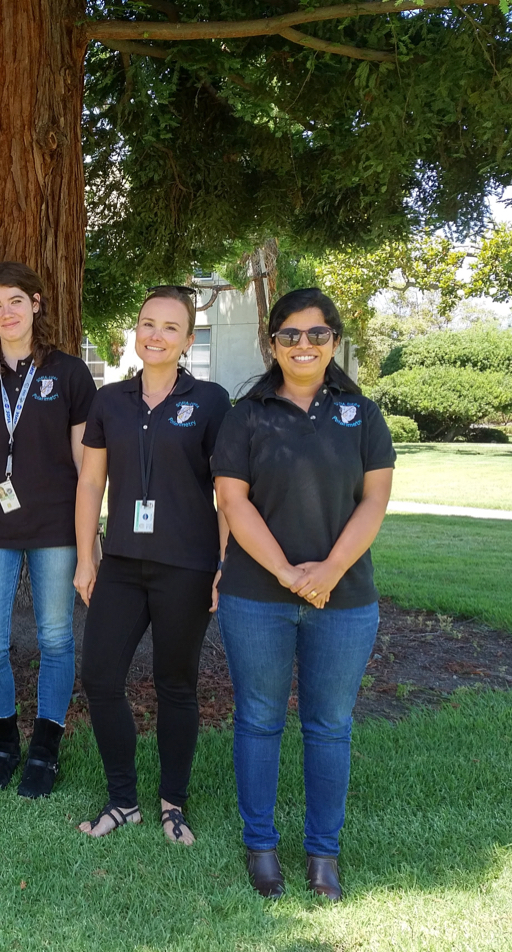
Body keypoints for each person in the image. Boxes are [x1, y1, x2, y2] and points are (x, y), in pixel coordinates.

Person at [212, 287, 395, 901]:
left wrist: (329, 571)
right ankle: (261, 847)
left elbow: (374, 501)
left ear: (334, 342)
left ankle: (323, 854)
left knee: (329, 726)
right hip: (256, 597)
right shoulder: (247, 414)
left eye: (317, 334)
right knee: (259, 721)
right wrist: (290, 574)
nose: (304, 345)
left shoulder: (362, 414)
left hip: (344, 601)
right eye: (290, 334)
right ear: (272, 344)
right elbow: (233, 501)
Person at [72, 286, 232, 845]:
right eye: (147, 324)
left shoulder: (210, 401)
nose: (155, 335)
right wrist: (85, 556)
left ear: (188, 340)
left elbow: (227, 489)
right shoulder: (109, 401)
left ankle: (172, 804)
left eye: (169, 327)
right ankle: (123, 800)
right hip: (118, 562)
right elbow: (91, 481)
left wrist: (220, 562)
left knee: (175, 683)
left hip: (185, 566)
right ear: (136, 332)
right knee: (99, 676)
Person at [0, 262, 96, 798]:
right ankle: (4, 745)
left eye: (15, 301)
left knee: (56, 639)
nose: (5, 313)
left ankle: (46, 750)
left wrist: (89, 540)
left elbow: (87, 464)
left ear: (36, 303)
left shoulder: (71, 373)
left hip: (57, 526)